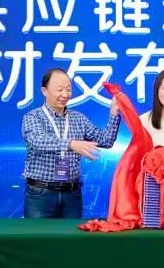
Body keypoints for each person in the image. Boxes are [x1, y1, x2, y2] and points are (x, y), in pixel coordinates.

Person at [21, 68, 120, 218]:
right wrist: (71, 144)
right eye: (59, 89)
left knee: (71, 234)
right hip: (41, 194)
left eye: (68, 89)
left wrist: (114, 113)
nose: (65, 94)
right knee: (38, 234)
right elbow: (37, 141)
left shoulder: (78, 119)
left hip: (72, 194)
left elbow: (106, 140)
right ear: (45, 91)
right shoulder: (33, 117)